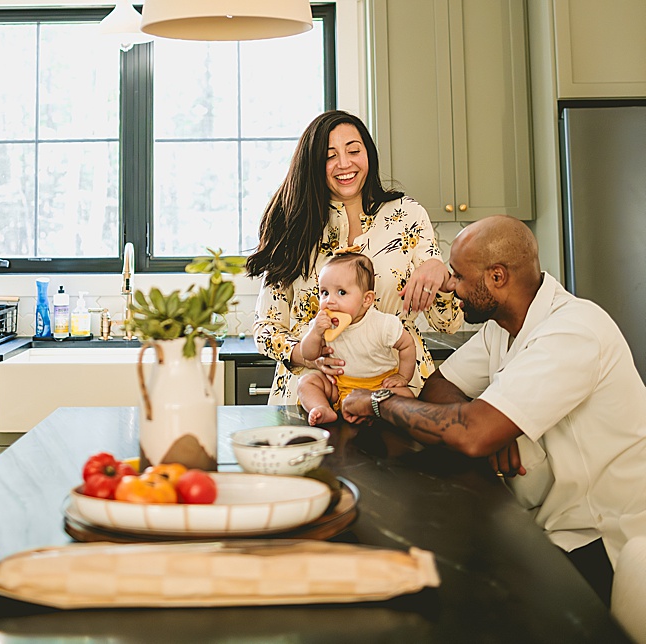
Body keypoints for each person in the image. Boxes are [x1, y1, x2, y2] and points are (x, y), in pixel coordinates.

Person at [341, 215, 646, 603]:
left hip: (603, 544)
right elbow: (440, 385)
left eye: (459, 276)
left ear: (497, 277)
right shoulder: (501, 325)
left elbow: (472, 433)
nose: (450, 286)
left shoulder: (573, 331)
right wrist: (489, 421)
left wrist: (382, 402)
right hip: (545, 525)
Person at [250, 110, 463, 405]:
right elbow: (266, 328)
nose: (345, 163)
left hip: (393, 393)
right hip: (313, 395)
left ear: (368, 155)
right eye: (330, 156)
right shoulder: (292, 225)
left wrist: (440, 273)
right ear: (313, 164)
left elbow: (448, 323)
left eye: (354, 150)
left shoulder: (407, 216)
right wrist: (307, 356)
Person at [295, 251, 416, 426]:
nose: (329, 301)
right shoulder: (323, 325)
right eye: (324, 292)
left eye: (341, 292)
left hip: (379, 387)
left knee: (406, 396)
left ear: (366, 299)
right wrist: (315, 333)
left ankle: (376, 412)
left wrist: (403, 377)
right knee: (306, 382)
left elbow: (406, 345)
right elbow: (308, 354)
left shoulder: (383, 324)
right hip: (339, 386)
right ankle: (323, 409)